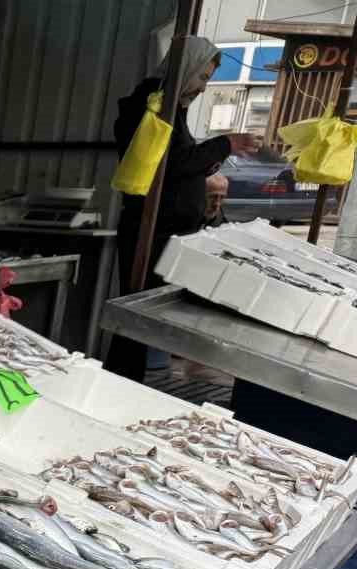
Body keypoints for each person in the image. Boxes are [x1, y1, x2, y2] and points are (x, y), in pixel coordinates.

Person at [105, 36, 261, 381]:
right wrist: (225, 144)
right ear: (185, 69)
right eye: (203, 77)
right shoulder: (152, 106)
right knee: (136, 315)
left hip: (168, 229)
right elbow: (170, 164)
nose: (204, 88)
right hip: (151, 229)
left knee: (146, 315)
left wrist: (204, 179)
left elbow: (178, 165)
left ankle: (131, 378)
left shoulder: (170, 107)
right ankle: (120, 381)